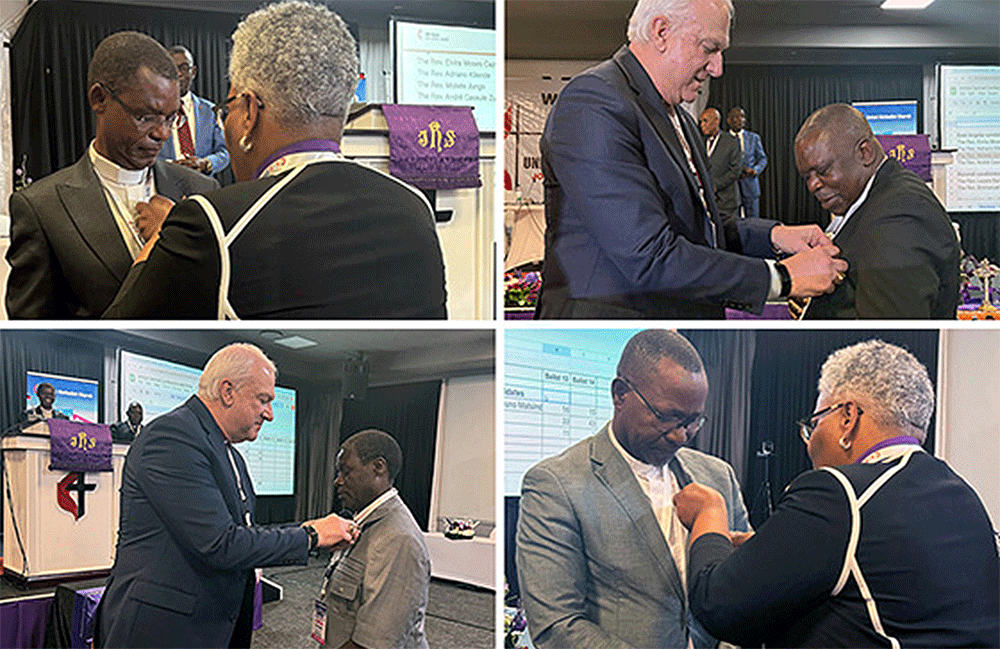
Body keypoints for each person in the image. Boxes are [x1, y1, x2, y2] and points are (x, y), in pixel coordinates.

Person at [102, 1, 447, 319]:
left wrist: (163, 242)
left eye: (229, 108)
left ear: (250, 111)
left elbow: (118, 320)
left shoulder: (212, 222)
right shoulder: (414, 206)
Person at [675, 340, 1000, 648]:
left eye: (815, 422)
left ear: (847, 417)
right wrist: (774, 554)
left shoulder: (838, 492)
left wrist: (710, 515)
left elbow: (719, 605)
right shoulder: (963, 497)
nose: (810, 439)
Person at [533, 0, 845, 319]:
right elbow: (648, 255)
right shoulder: (595, 103)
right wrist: (782, 278)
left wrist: (774, 237)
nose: (717, 68)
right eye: (709, 48)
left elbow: (699, 228)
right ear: (661, 32)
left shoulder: (679, 119)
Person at [94, 343, 359, 648]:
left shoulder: (230, 453)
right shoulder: (171, 438)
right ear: (227, 391)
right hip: (162, 631)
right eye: (263, 400)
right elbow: (219, 543)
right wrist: (311, 536)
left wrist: (307, 529)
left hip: (208, 627)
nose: (270, 414)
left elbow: (243, 533)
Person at [516, 330, 752, 648]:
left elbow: (742, 597)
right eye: (668, 417)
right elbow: (558, 625)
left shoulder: (717, 476)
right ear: (621, 394)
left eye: (693, 421)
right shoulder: (556, 485)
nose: (682, 435)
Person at [4, 31, 218, 319]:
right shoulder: (42, 208)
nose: (162, 134)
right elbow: (34, 329)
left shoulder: (201, 190)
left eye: (170, 118)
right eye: (145, 117)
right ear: (99, 99)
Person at [793, 103, 960, 319]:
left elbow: (889, 337)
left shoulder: (898, 218)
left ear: (865, 153)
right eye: (807, 176)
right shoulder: (881, 200)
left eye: (823, 171)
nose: (813, 185)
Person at [321, 429, 431, 649]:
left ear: (378, 468)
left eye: (346, 472)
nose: (338, 481)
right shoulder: (364, 523)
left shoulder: (398, 539)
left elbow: (373, 644)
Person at [157, 45, 230, 176]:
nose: (179, 73)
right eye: (173, 69)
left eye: (184, 68)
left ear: (194, 72)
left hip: (203, 185)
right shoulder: (154, 110)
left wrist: (206, 163)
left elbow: (225, 152)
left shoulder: (211, 111)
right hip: (165, 185)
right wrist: (168, 167)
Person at [699, 106, 741, 223]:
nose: (702, 124)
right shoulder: (700, 142)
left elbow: (735, 171)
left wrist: (715, 186)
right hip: (706, 201)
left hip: (726, 203)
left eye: (705, 121)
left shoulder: (731, 141)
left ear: (716, 121)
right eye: (701, 121)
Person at [726, 106, 767, 219]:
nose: (740, 120)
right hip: (731, 189)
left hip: (750, 185)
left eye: (742, 117)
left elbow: (763, 159)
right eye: (736, 117)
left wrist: (755, 170)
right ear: (729, 120)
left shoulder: (754, 138)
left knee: (754, 221)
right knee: (734, 222)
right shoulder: (723, 139)